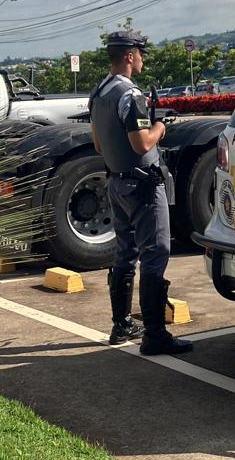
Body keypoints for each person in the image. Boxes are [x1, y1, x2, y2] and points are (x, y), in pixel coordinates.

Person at [89, 30, 193, 355]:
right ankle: (155, 334)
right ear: (130, 56)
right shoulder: (130, 94)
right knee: (156, 252)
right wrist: (160, 127)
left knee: (125, 253)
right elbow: (142, 143)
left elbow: (98, 144)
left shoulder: (99, 92)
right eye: (141, 54)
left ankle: (121, 325)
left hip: (117, 182)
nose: (143, 60)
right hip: (143, 185)